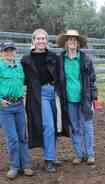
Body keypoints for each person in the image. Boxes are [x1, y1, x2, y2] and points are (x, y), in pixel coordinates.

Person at [21, 28, 70, 172]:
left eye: (43, 38)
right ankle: (48, 160)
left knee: (55, 125)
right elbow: (22, 80)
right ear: (33, 41)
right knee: (48, 125)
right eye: (38, 38)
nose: (41, 41)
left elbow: (61, 75)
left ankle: (52, 155)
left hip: (54, 92)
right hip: (39, 94)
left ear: (46, 41)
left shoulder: (54, 57)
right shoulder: (26, 60)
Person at [56, 29, 99, 165]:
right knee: (75, 127)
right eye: (70, 40)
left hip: (84, 98)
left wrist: (94, 96)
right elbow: (57, 79)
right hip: (69, 99)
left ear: (78, 43)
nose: (72, 42)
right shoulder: (60, 60)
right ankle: (79, 154)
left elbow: (92, 79)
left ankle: (90, 154)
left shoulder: (85, 59)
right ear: (66, 43)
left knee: (87, 126)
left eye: (75, 40)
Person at [0, 42, 34, 179]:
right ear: (2, 53)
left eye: (11, 50)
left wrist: (23, 95)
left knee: (23, 137)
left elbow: (22, 83)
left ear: (15, 52)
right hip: (6, 107)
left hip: (19, 105)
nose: (9, 53)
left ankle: (26, 165)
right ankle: (14, 166)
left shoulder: (19, 66)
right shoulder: (0, 67)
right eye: (6, 51)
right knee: (12, 138)